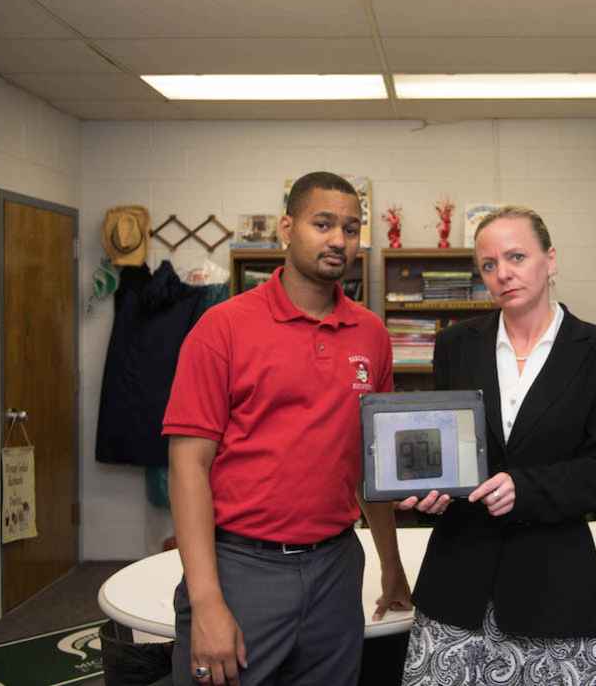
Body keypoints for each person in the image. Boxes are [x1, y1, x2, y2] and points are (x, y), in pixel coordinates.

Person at [163, 172, 412, 686]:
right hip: (241, 566)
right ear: (287, 228)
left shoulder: (372, 334)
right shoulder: (222, 328)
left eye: (350, 227)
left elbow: (373, 463)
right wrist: (207, 600)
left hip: (337, 566)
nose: (338, 240)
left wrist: (390, 563)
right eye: (322, 224)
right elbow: (188, 467)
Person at [398, 206, 596, 685]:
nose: (503, 273)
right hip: (458, 582)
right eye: (489, 265)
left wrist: (524, 489)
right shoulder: (455, 345)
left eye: (516, 256)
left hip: (552, 586)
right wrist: (431, 491)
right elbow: (449, 448)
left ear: (550, 260)